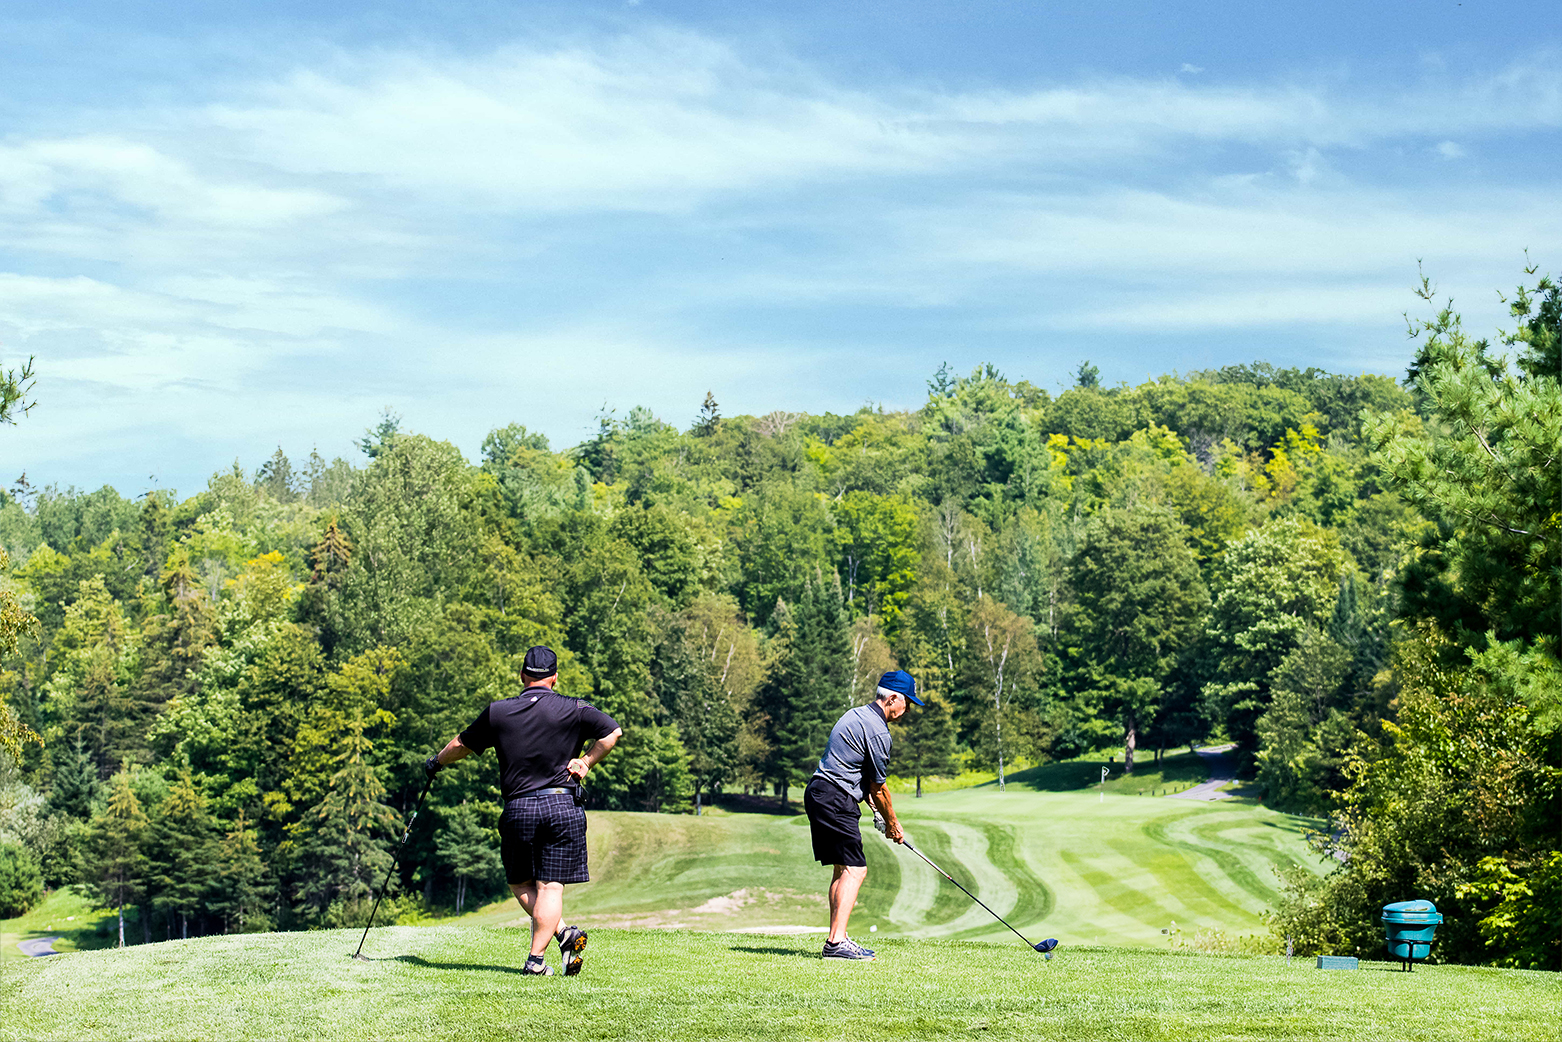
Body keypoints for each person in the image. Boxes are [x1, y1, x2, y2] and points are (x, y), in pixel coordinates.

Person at [425, 645, 622, 976]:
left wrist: (435, 762)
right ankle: (560, 938)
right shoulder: (575, 708)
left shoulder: (499, 712)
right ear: (555, 678)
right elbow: (612, 732)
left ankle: (540, 958)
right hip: (562, 804)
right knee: (550, 887)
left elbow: (461, 744)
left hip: (519, 807)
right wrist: (586, 761)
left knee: (520, 883)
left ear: (522, 676)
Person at [803, 669, 922, 961]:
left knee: (842, 869)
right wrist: (893, 823)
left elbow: (864, 782)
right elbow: (878, 788)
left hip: (819, 792)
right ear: (892, 698)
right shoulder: (879, 731)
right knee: (856, 870)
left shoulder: (855, 714)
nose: (907, 709)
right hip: (836, 798)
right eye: (907, 702)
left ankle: (838, 938)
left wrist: (879, 817)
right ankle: (835, 943)